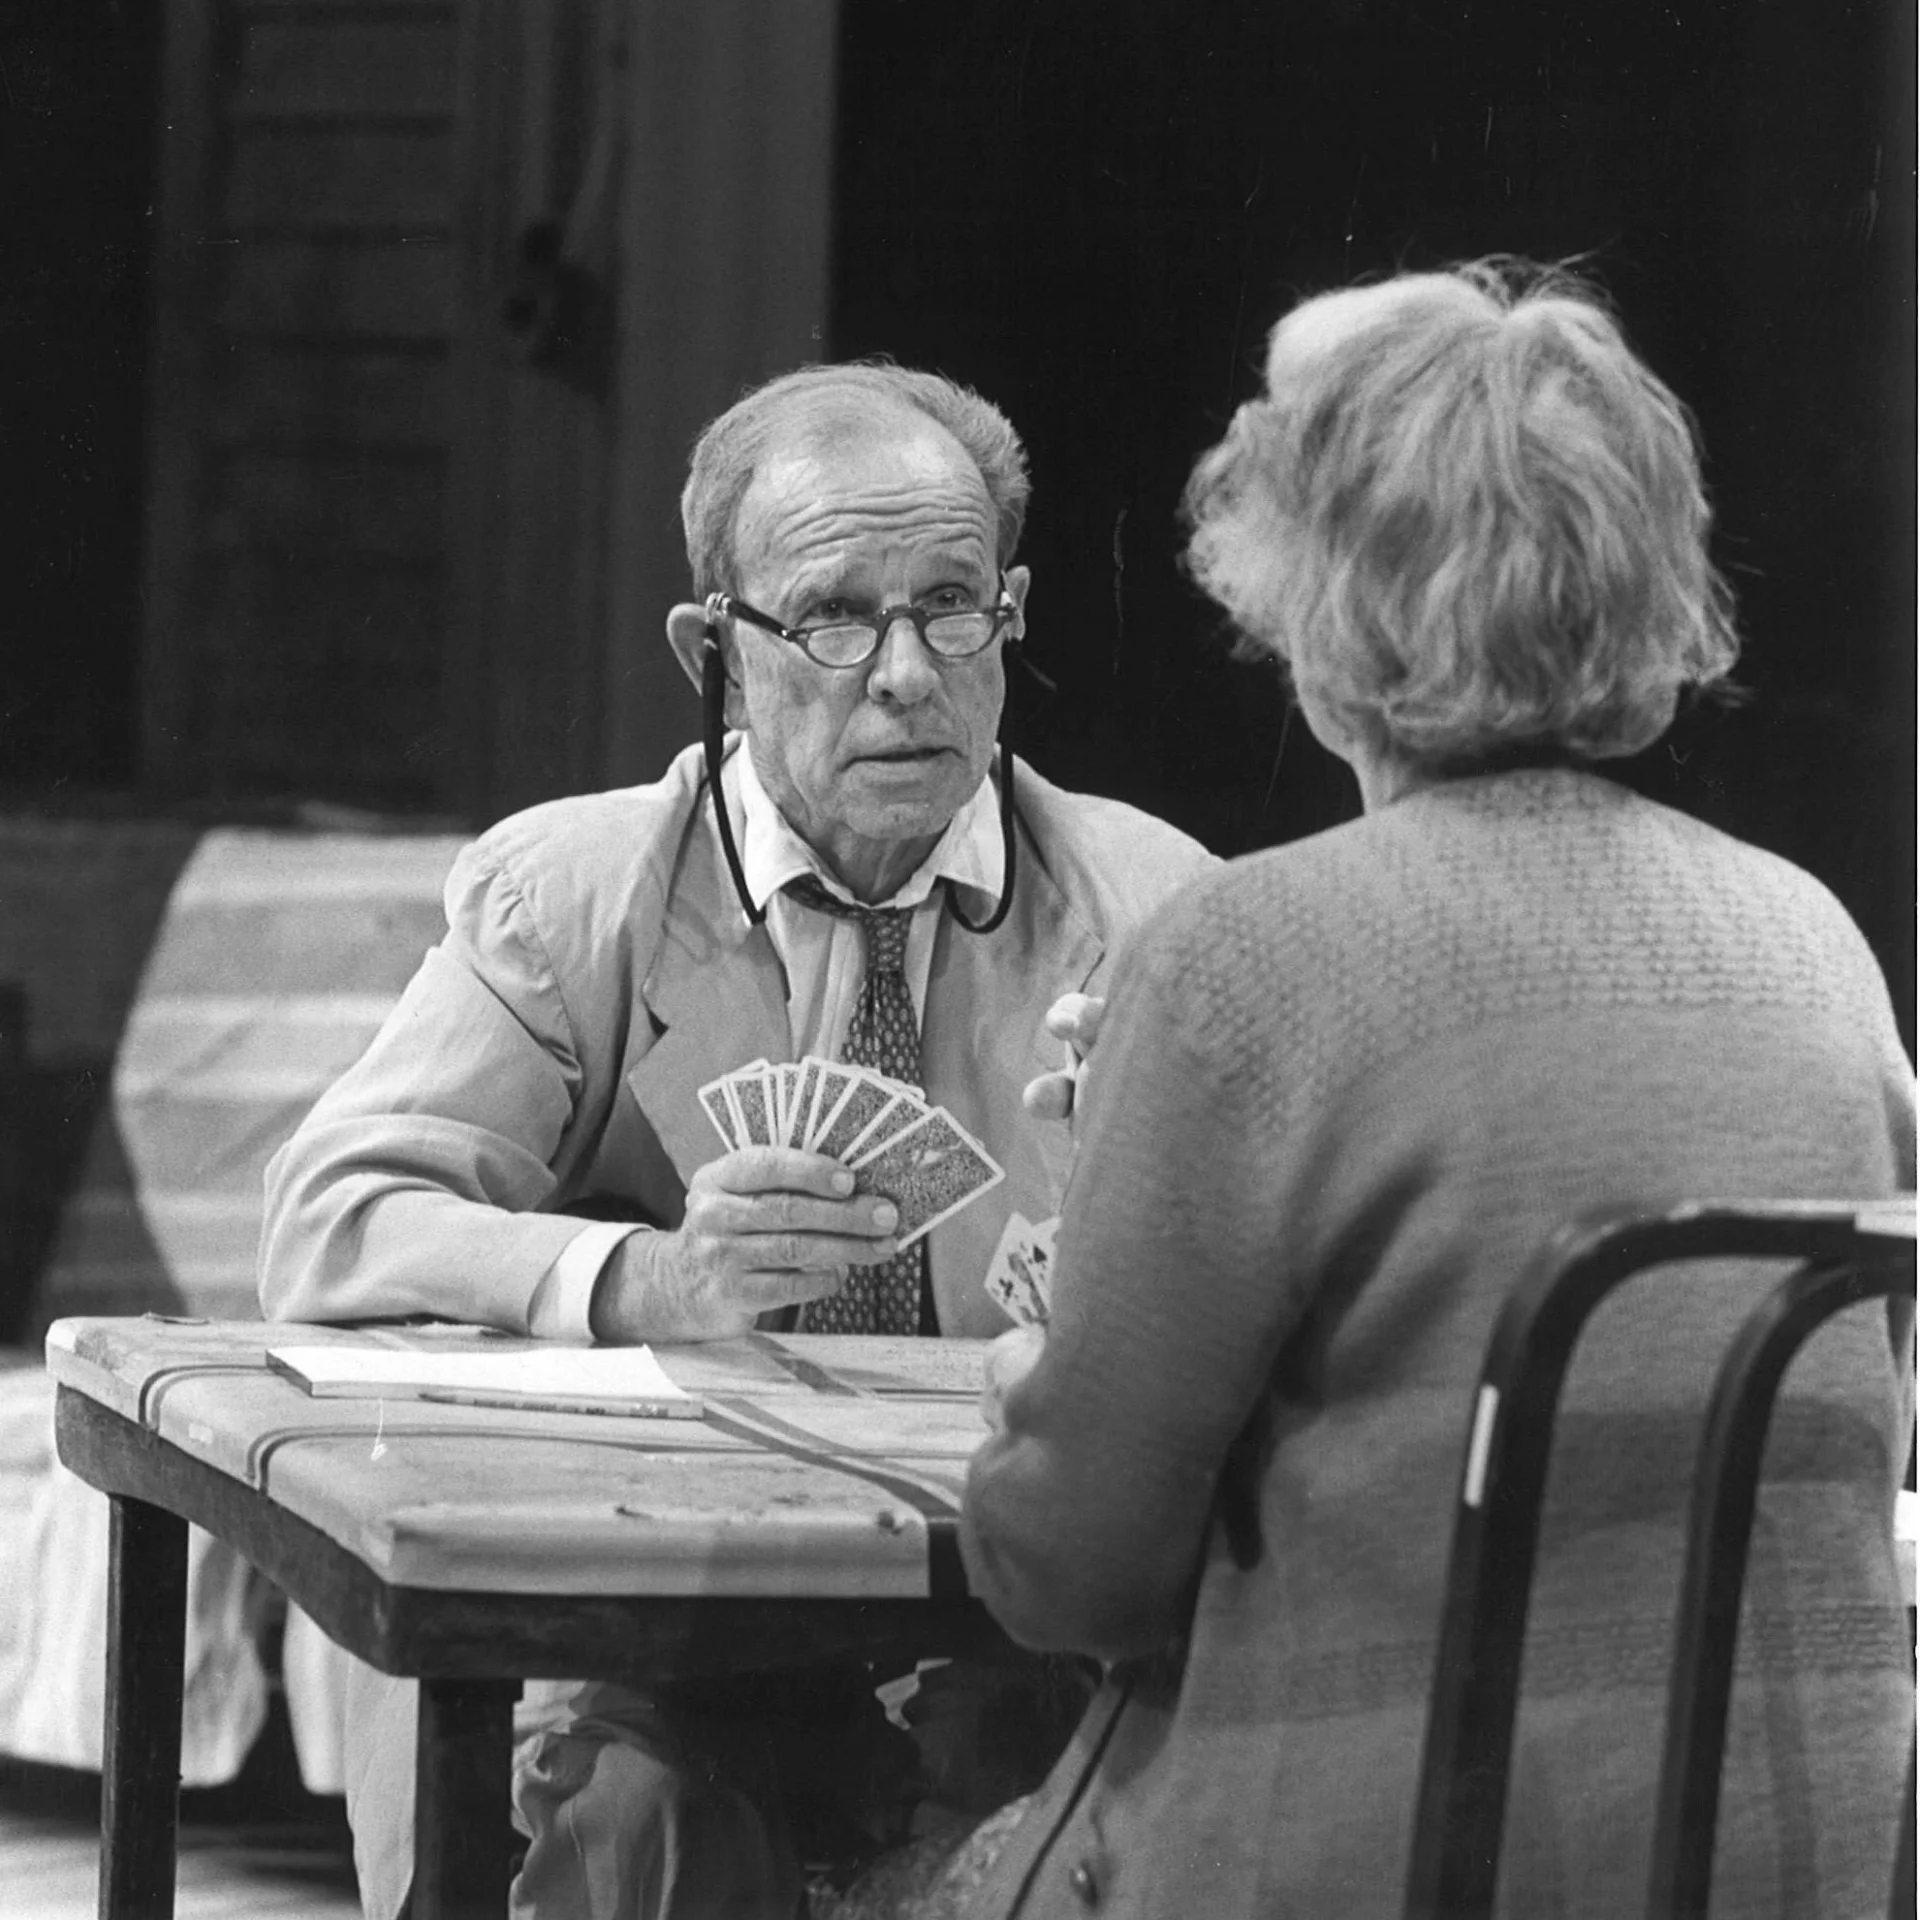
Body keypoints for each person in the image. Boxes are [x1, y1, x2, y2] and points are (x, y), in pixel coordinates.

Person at [957, 260, 1915, 1918]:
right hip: (1802, 1863)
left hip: (1394, 1868)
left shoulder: (1249, 956)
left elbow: (1069, 1571)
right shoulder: (1814, 940)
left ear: (1318, 600)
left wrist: (1045, 1352)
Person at [257, 361, 1214, 1919]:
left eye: (953, 607)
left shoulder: (1158, 908)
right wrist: (648, 1282)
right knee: (638, 1831)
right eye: (835, 618)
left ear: (1014, 616)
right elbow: (337, 1217)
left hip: (1014, 1626)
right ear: (719, 651)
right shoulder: (571, 897)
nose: (906, 673)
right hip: (653, 1635)